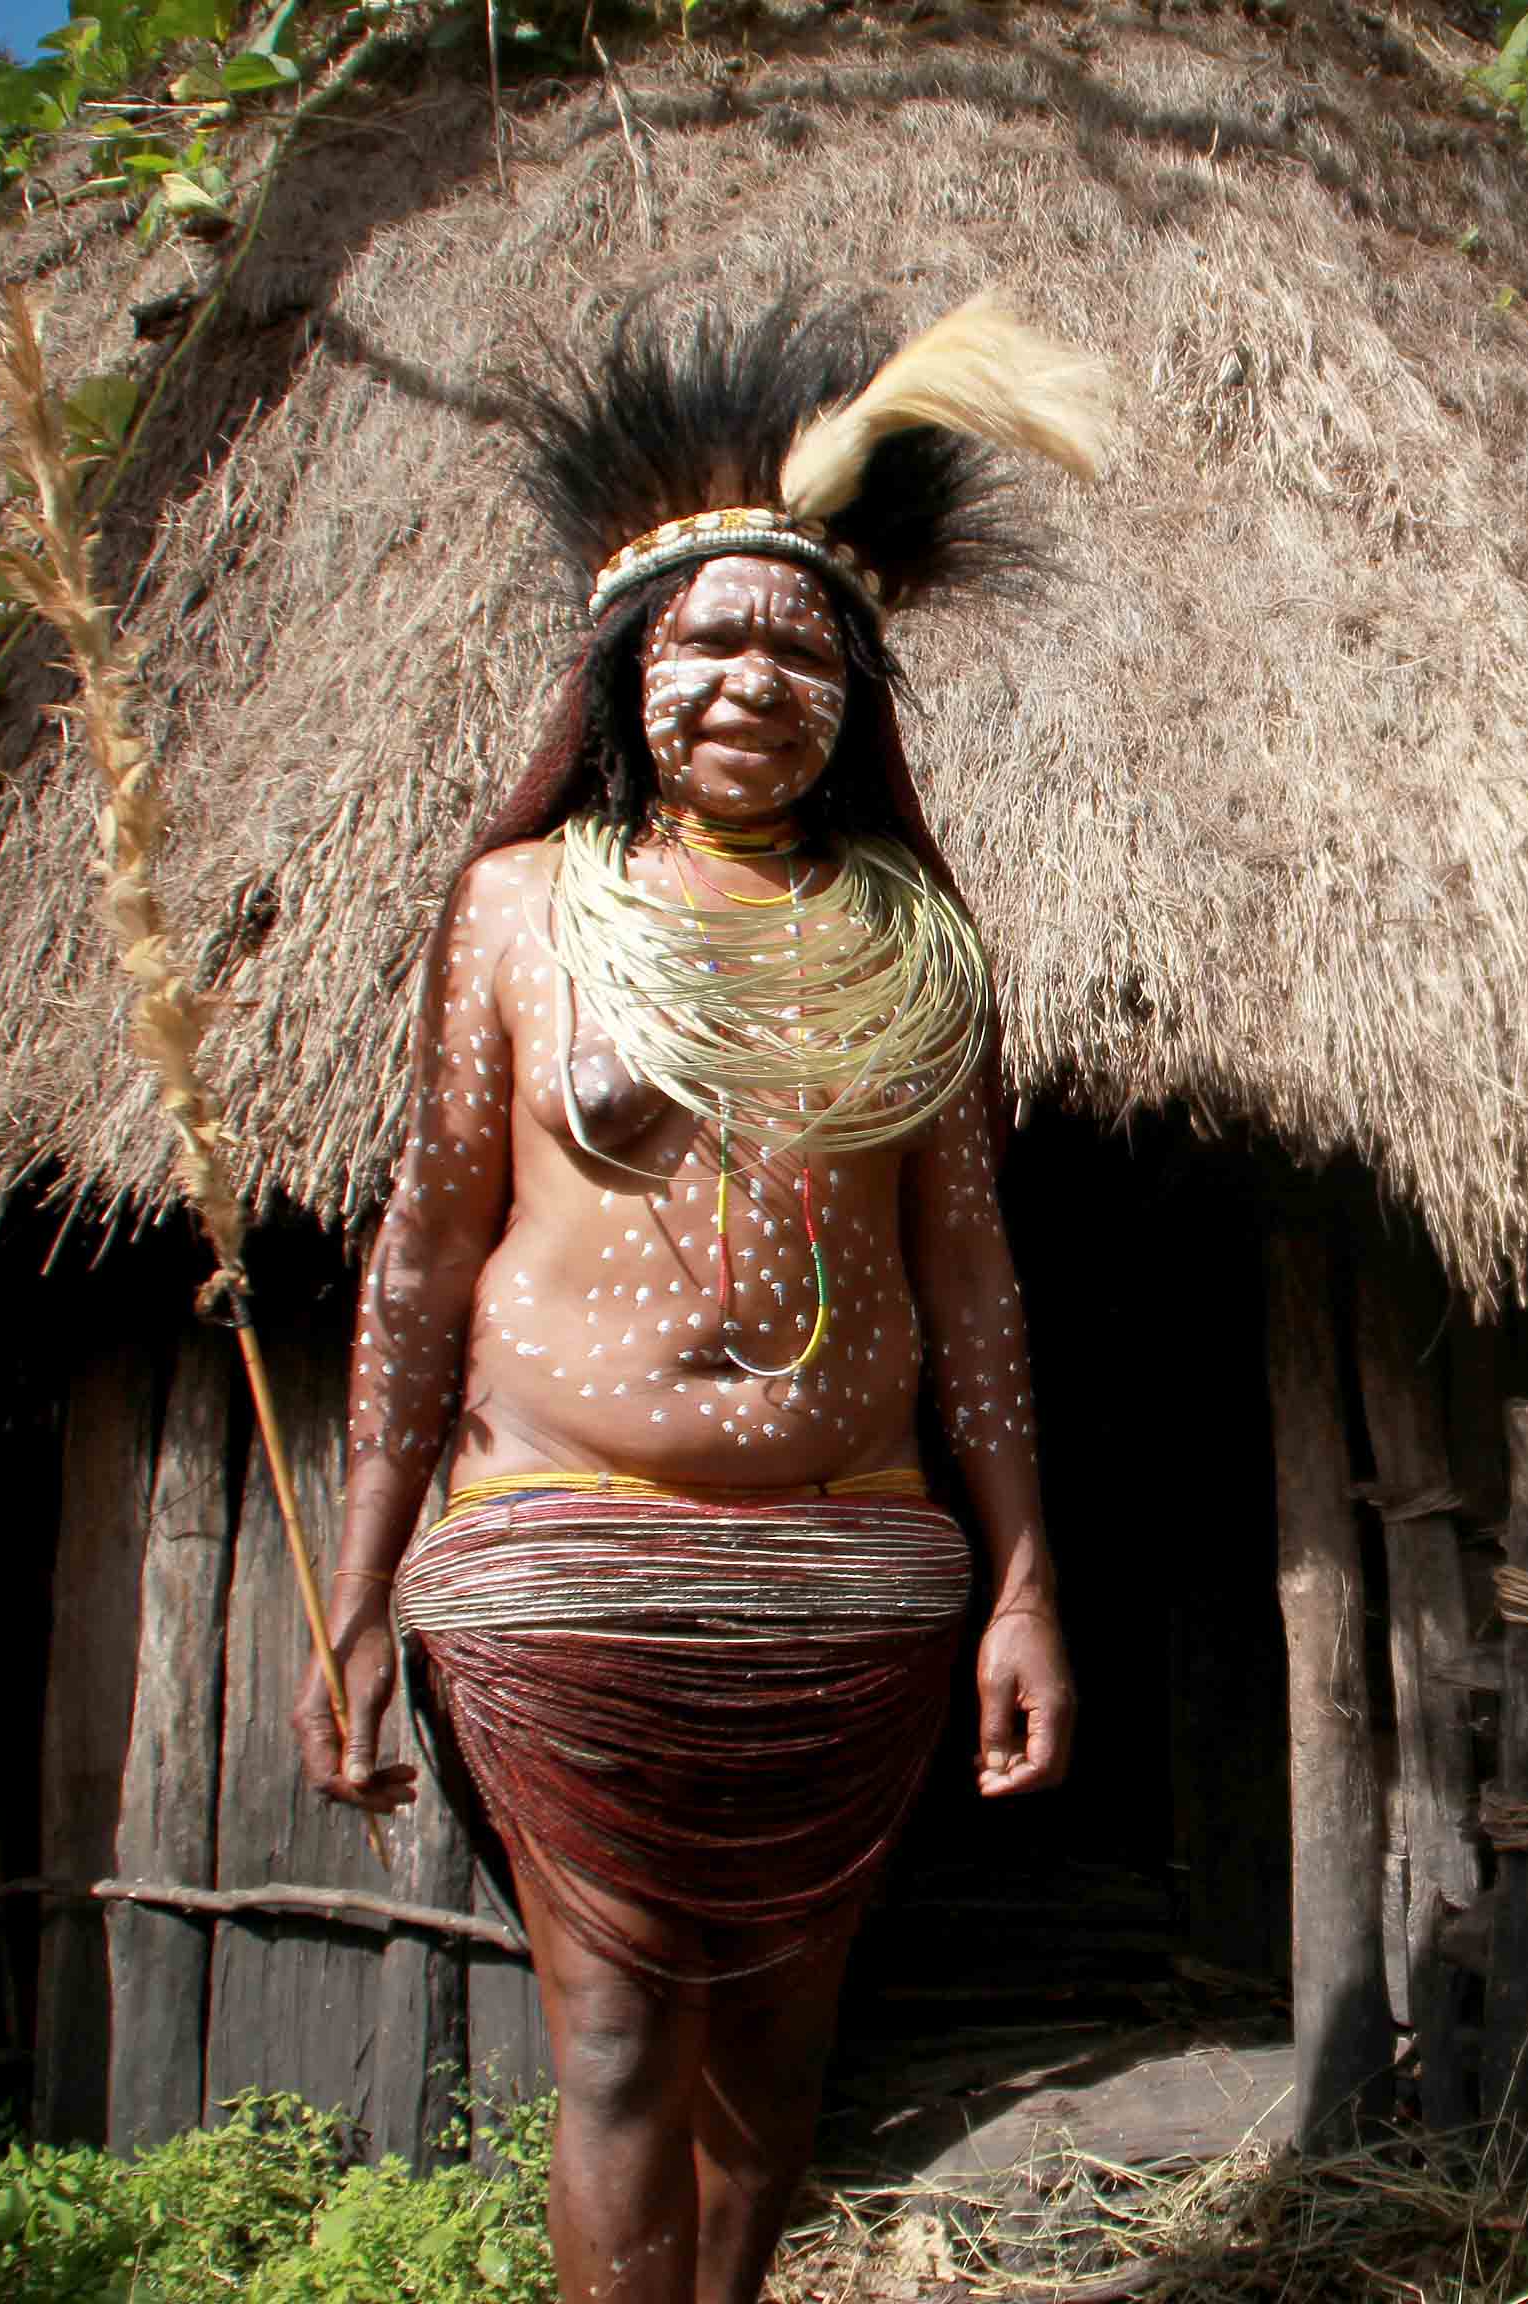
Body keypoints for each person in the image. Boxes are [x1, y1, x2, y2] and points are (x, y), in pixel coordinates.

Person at [294, 297, 1113, 2304]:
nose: (753, 677)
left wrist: (1020, 1587)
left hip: (855, 1577)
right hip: (567, 1565)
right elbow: (426, 1252)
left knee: (782, 2046)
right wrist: (356, 1575)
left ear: (858, 696)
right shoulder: (516, 912)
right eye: (707, 640)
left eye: (802, 647)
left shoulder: (915, 940)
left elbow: (972, 1280)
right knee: (611, 2036)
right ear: (625, 675)